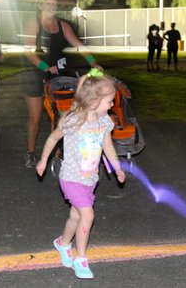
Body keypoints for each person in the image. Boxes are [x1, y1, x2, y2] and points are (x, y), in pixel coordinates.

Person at [36, 69, 125, 279]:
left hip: (89, 180)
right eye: (110, 101)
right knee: (87, 215)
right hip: (71, 178)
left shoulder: (104, 122)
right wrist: (43, 160)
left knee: (75, 217)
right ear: (94, 102)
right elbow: (52, 139)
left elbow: (108, 148)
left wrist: (117, 167)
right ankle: (81, 258)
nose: (112, 105)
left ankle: (62, 244)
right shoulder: (73, 120)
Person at [23, 0, 102, 168]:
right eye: (48, 3)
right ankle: (30, 152)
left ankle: (57, 152)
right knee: (35, 118)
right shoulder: (34, 23)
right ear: (41, 6)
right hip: (34, 75)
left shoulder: (62, 26)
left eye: (54, 4)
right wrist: (45, 67)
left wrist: (93, 62)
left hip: (56, 75)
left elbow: (79, 45)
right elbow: (28, 51)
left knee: (58, 115)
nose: (51, 6)